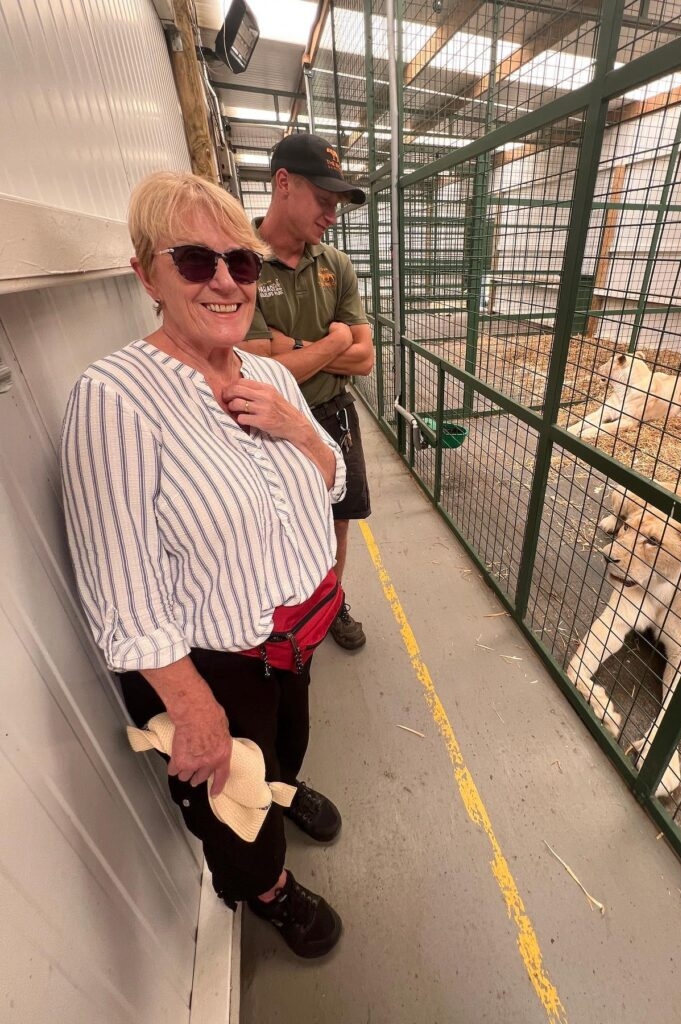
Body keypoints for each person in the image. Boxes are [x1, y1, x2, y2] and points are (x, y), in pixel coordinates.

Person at [60, 171, 347, 959]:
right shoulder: (116, 399)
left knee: (285, 748)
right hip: (216, 661)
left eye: (241, 262)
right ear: (146, 273)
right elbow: (120, 585)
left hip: (292, 636)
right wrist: (190, 707)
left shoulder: (272, 377)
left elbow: (336, 482)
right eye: (194, 260)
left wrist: (299, 429)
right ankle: (266, 890)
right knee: (230, 801)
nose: (224, 281)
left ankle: (283, 788)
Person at [239, 132, 374, 652]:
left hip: (333, 410)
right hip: (271, 418)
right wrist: (334, 339)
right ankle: (279, 606)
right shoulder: (242, 262)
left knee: (339, 515)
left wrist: (292, 347)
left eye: (337, 204)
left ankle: (329, 601)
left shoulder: (335, 264)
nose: (332, 215)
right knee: (278, 515)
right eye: (324, 201)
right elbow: (254, 367)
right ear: (283, 183)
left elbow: (364, 359)